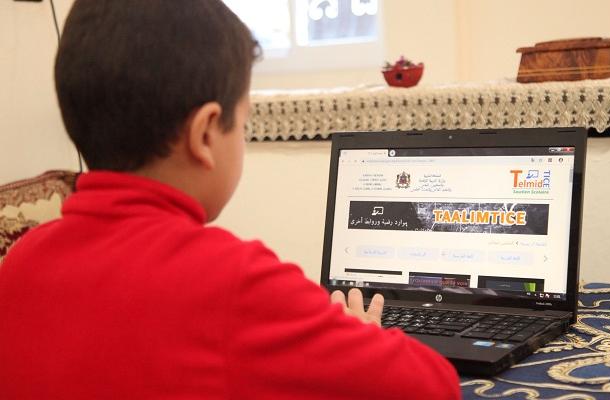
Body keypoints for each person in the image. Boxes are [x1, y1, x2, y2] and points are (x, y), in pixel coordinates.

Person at [0, 1, 460, 399]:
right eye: (243, 123)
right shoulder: (237, 283)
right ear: (205, 133)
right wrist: (361, 339)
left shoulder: (21, 261)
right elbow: (433, 386)